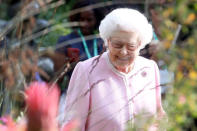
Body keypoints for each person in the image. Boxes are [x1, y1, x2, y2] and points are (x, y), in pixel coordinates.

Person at [62, 8, 165, 131]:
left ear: (140, 45)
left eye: (131, 46)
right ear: (108, 41)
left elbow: (158, 118)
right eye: (117, 45)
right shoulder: (86, 71)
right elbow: (73, 125)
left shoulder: (149, 69)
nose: (123, 52)